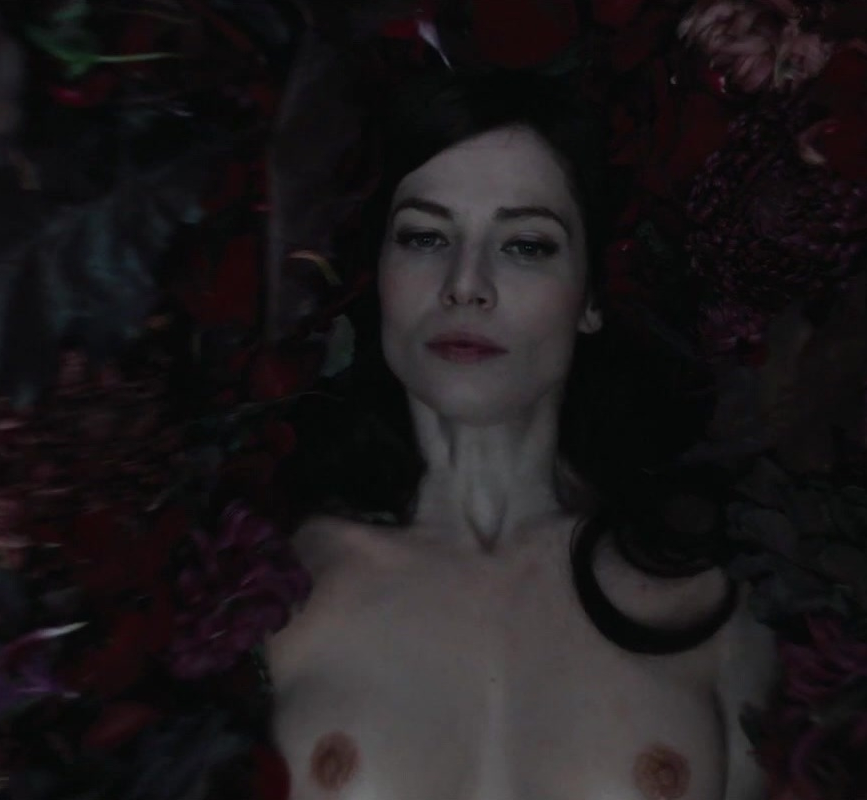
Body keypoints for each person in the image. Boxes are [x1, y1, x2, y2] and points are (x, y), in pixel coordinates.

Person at [262, 69, 781, 799]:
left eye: (526, 246)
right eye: (424, 236)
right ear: (375, 274)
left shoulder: (715, 603)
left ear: (590, 298)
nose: (465, 284)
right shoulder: (276, 592)